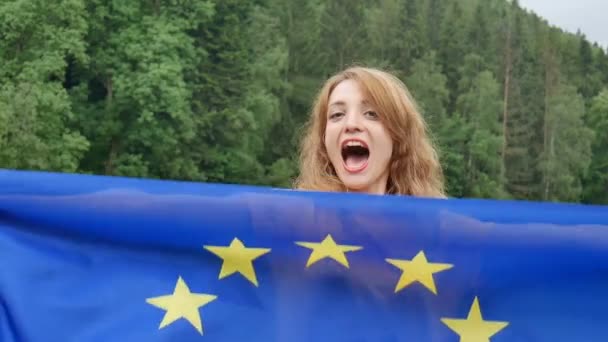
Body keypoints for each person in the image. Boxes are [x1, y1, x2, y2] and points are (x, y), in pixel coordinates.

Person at [294, 66, 445, 198]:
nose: (351, 124)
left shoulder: (436, 225)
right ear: (324, 139)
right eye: (337, 114)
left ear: (399, 136)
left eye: (372, 114)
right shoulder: (297, 222)